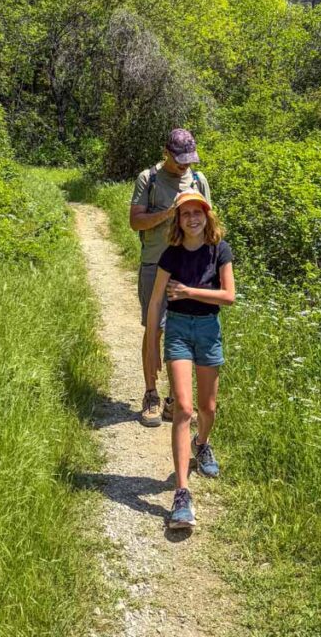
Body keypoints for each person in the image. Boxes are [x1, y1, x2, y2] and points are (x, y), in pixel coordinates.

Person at [145, 190, 235, 530]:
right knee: (184, 408)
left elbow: (229, 297)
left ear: (207, 216)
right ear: (178, 220)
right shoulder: (171, 255)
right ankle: (182, 494)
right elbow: (156, 303)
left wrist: (189, 291)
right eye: (186, 214)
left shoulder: (220, 250)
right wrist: (153, 344)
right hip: (179, 330)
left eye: (198, 212)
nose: (193, 218)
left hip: (209, 330)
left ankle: (202, 444)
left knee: (208, 408)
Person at [130, 129, 210, 427]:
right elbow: (135, 221)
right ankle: (151, 394)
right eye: (180, 161)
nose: (184, 166)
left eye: (189, 161)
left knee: (185, 332)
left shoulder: (198, 180)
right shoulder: (148, 179)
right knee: (155, 328)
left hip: (189, 267)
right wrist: (168, 213)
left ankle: (174, 400)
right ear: (166, 152)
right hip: (154, 264)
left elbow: (207, 220)